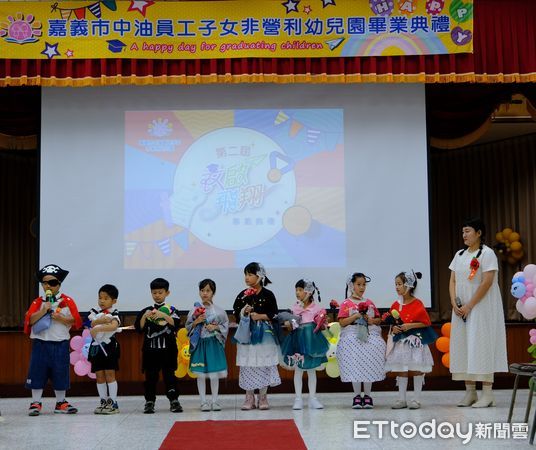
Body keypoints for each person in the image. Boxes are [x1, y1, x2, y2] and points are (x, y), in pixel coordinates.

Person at [449, 217, 508, 407]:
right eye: (463, 231)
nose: (464, 235)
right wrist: (454, 303)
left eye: (467, 231)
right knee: (465, 345)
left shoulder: (487, 254)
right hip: (461, 309)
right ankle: (470, 392)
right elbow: (453, 280)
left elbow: (487, 282)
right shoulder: (459, 255)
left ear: (479, 233)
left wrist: (470, 305)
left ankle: (488, 393)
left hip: (481, 307)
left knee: (481, 344)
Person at [23, 264, 82, 416]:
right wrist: (43, 311)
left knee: (60, 372)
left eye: (52, 283)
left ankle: (61, 403)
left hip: (60, 344)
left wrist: (61, 318)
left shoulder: (67, 301)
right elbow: (29, 321)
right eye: (45, 283)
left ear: (59, 284)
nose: (48, 286)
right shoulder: (38, 302)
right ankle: (36, 402)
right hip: (41, 344)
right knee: (37, 372)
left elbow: (76, 321)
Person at [384, 271, 436, 410]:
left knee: (417, 368)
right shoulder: (395, 304)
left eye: (399, 284)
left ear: (409, 285)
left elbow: (426, 322)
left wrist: (409, 326)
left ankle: (416, 399)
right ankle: (402, 399)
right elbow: (393, 323)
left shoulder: (417, 303)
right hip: (401, 343)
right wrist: (394, 328)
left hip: (415, 342)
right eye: (395, 284)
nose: (397, 287)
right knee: (401, 368)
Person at [232, 262, 281, 410]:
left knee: (264, 363)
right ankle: (249, 397)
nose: (247, 278)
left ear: (259, 277)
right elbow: (236, 312)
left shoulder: (268, 294)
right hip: (247, 334)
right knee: (248, 364)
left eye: (250, 274)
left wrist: (260, 316)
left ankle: (263, 397)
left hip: (264, 334)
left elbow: (274, 314)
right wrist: (244, 312)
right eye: (245, 274)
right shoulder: (243, 295)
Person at [337, 273, 385, 409]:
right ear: (352, 286)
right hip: (352, 334)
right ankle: (357, 395)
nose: (362, 287)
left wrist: (371, 320)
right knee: (356, 363)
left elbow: (378, 319)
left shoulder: (369, 302)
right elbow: (342, 322)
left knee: (370, 358)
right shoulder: (346, 303)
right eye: (359, 284)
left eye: (364, 284)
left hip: (368, 333)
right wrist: (356, 316)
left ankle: (368, 395)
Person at [134, 278, 182, 414]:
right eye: (154, 293)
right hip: (151, 352)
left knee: (170, 376)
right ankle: (149, 401)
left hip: (168, 351)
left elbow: (175, 324)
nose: (157, 295)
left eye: (160, 292)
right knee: (150, 377)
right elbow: (139, 328)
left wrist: (163, 315)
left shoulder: (171, 310)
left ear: (167, 293)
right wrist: (144, 317)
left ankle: (174, 400)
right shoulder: (146, 310)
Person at [280, 279, 329, 410]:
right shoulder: (294, 309)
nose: (297, 292)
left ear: (308, 292)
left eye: (300, 290)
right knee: (299, 369)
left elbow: (323, 327)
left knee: (311, 370)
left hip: (312, 343)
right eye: (296, 290)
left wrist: (323, 323)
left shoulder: (317, 309)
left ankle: (312, 398)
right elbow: (291, 327)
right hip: (297, 342)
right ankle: (298, 399)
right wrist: (288, 324)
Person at [186, 279, 229, 411]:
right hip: (200, 345)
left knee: (214, 373)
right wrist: (196, 321)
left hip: (213, 345)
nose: (205, 293)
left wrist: (215, 328)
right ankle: (203, 401)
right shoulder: (194, 310)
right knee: (201, 374)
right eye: (202, 290)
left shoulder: (220, 311)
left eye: (208, 291)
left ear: (213, 293)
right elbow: (188, 327)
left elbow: (225, 326)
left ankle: (215, 401)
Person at [87, 284, 121, 414]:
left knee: (109, 374)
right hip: (96, 347)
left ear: (114, 301)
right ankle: (103, 401)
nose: (102, 301)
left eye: (106, 298)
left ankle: (113, 403)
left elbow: (113, 326)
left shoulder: (114, 312)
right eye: (100, 297)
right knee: (99, 375)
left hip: (109, 346)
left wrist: (98, 327)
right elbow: (90, 323)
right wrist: (100, 321)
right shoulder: (94, 311)